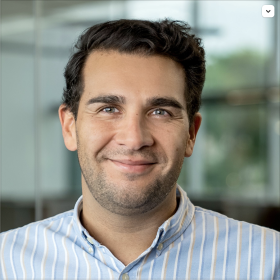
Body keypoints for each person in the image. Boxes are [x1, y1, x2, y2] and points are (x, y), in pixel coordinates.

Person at [0, 19, 279, 280]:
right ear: (69, 127)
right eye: (108, 109)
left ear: (191, 133)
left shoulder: (269, 261)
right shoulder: (7, 261)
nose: (134, 139)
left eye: (160, 112)